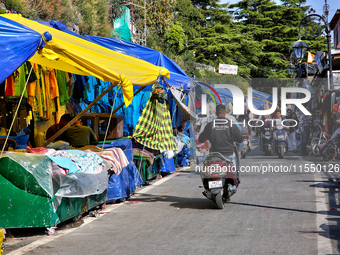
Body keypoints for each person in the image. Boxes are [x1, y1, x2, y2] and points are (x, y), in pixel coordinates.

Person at [198, 104, 243, 179]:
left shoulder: (210, 125)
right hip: (229, 154)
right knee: (234, 174)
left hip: (214, 154)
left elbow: (201, 139)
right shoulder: (231, 124)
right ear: (225, 113)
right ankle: (235, 181)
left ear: (216, 113)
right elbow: (240, 139)